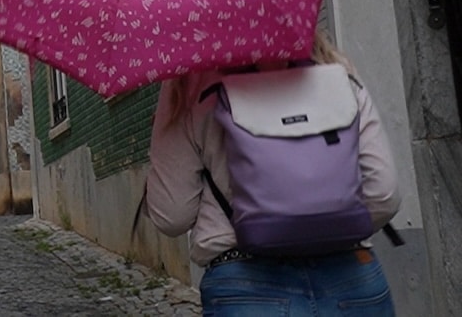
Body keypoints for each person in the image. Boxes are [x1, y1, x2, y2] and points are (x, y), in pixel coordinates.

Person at [145, 32, 402, 315]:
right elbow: (384, 194)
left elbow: (172, 216)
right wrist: (329, 223)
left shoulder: (189, 83)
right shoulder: (332, 68)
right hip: (351, 277)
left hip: (245, 285)